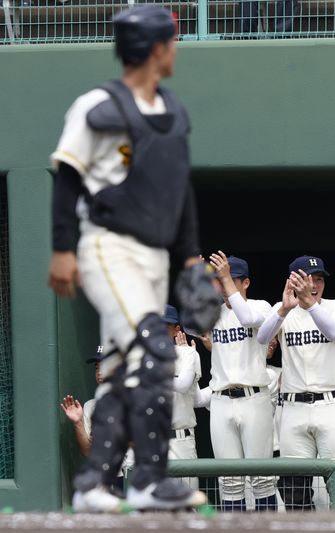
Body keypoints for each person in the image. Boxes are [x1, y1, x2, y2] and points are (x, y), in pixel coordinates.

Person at [47, 5, 216, 512]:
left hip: (151, 254)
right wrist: (60, 247)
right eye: (171, 42)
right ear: (155, 48)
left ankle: (93, 484)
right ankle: (144, 478)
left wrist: (189, 261)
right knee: (156, 353)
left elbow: (179, 193)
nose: (176, 51)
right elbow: (68, 176)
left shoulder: (171, 112)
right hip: (107, 245)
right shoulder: (98, 106)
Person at [255, 255, 335, 510]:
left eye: (319, 279)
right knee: (294, 489)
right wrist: (283, 309)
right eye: (307, 279)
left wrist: (310, 304)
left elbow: (333, 332)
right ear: (293, 281)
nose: (314, 285)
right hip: (293, 408)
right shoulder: (283, 309)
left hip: (330, 404)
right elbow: (262, 339)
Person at [207, 252, 276, 512]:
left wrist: (223, 279)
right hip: (221, 400)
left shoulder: (261, 306)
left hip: (254, 397)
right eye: (219, 280)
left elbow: (247, 319)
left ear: (245, 283)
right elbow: (190, 324)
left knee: (261, 478)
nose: (223, 285)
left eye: (230, 280)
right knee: (229, 481)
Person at [59, 351, 135, 494]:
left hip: (132, 476)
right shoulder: (90, 406)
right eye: (97, 367)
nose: (99, 372)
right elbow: (87, 451)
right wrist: (78, 423)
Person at [163, 305, 204, 491]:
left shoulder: (187, 353)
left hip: (180, 439)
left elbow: (184, 386)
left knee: (188, 504)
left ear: (176, 329)